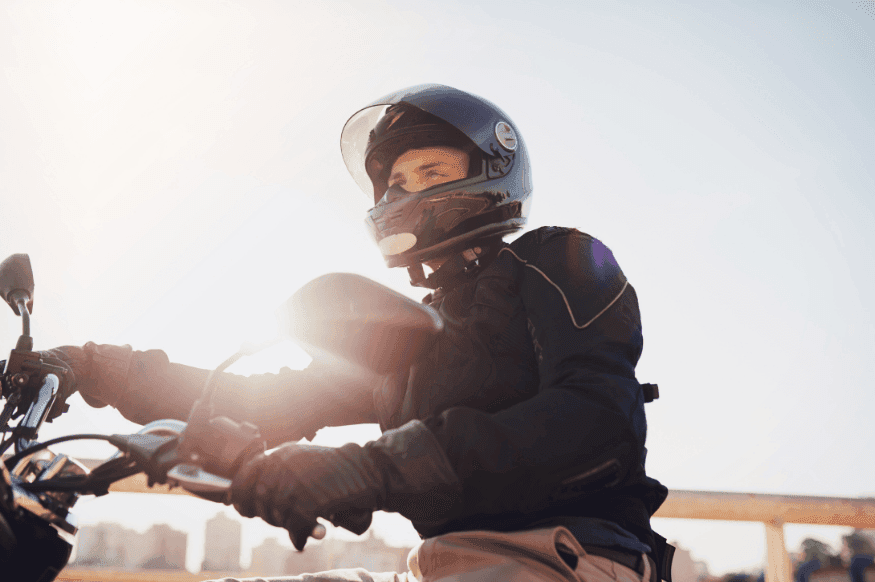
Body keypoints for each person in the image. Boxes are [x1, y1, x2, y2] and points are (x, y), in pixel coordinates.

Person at [41, 84, 671, 582]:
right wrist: (90, 364)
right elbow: (259, 399)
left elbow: (597, 419)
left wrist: (369, 468)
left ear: (490, 172)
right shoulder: (405, 332)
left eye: (430, 172)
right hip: (445, 563)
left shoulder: (557, 259)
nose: (406, 194)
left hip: (565, 557)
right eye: (395, 184)